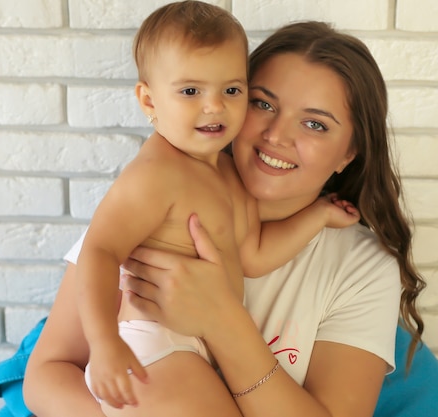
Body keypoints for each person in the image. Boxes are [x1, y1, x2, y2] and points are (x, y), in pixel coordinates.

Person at [24, 20, 426, 417]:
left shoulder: (361, 267)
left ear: (349, 153)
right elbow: (47, 376)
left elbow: (253, 256)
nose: (276, 135)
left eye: (315, 124)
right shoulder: (156, 196)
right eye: (263, 103)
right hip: (154, 354)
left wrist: (221, 319)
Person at [75, 2, 359, 415]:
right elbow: (98, 252)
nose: (215, 106)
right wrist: (104, 343)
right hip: (151, 344)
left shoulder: (227, 174)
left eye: (232, 90)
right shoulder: (155, 175)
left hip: (195, 346)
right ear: (149, 101)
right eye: (191, 91)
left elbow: (255, 255)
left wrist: (318, 216)